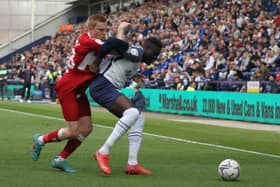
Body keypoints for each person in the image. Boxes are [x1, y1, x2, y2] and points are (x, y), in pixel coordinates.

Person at [31, 15, 129, 173]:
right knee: (74, 131)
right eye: (100, 30)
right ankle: (41, 139)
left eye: (106, 30)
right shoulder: (89, 41)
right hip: (68, 89)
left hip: (79, 90)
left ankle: (60, 159)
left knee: (86, 129)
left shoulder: (92, 40)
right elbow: (120, 46)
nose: (104, 33)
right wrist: (121, 30)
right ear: (90, 29)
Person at [89, 37, 162, 175]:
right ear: (147, 48)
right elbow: (112, 42)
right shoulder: (136, 53)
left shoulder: (136, 59)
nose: (155, 58)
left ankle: (132, 164)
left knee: (138, 118)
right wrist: (96, 62)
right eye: (155, 54)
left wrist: (133, 77)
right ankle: (103, 151)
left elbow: (119, 66)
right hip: (103, 85)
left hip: (108, 87)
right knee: (133, 113)